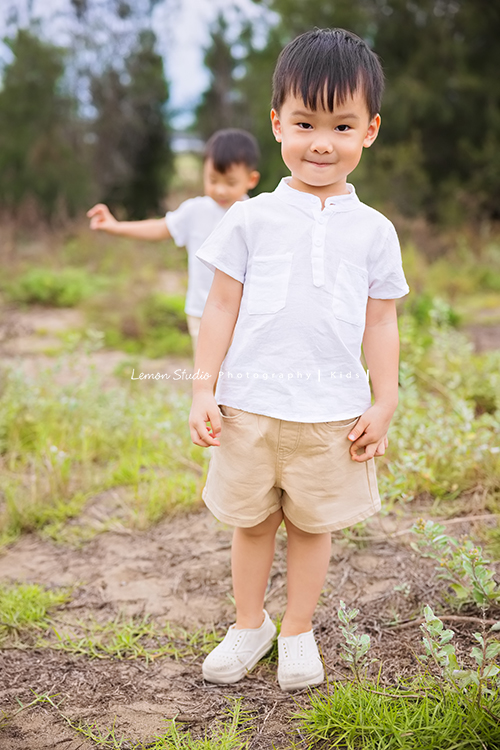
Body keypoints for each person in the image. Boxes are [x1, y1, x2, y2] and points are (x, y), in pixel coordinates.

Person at [189, 28, 410, 692]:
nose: (321, 141)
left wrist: (385, 399)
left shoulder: (374, 230)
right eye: (305, 122)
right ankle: (250, 623)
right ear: (277, 121)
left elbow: (381, 319)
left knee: (313, 526)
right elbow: (220, 308)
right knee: (252, 521)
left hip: (332, 414)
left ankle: (297, 630)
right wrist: (203, 390)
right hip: (249, 407)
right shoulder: (251, 219)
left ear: (369, 130)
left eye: (341, 125)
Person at [87, 129, 260, 351]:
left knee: (241, 380)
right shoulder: (195, 211)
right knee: (208, 379)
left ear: (251, 179)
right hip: (202, 312)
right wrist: (116, 226)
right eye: (212, 179)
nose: (219, 189)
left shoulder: (256, 215)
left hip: (245, 315)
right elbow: (160, 228)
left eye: (230, 182)